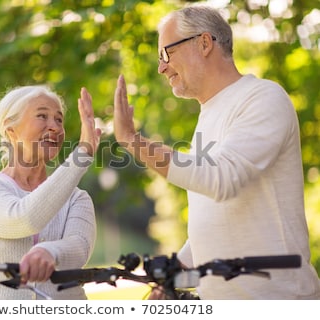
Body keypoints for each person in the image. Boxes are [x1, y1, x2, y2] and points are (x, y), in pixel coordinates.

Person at [113, 5, 320, 299]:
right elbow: (216, 221)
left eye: (165, 54)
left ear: (204, 43)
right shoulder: (208, 117)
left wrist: (133, 141)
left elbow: (221, 179)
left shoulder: (263, 98)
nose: (161, 67)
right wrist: (173, 272)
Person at [0, 85, 101, 299]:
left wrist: (50, 252)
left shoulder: (76, 198)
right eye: (42, 116)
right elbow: (24, 218)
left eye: (59, 119)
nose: (54, 127)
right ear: (11, 130)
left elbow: (79, 248)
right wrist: (82, 154)